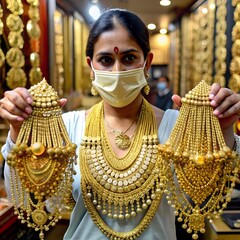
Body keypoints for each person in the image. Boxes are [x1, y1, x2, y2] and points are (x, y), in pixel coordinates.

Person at [0, 8, 240, 240]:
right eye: (105, 59)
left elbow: (202, 201)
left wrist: (224, 131)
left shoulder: (178, 128)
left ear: (147, 63)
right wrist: (19, 131)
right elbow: (33, 203)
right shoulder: (66, 128)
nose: (117, 70)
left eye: (128, 58)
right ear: (91, 67)